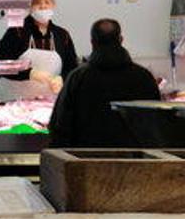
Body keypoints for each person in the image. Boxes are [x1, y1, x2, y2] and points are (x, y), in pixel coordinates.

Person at [49, 19, 161, 147]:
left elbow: (60, 126)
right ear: (121, 40)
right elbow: (156, 125)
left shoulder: (78, 78)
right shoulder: (144, 77)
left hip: (85, 160)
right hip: (134, 162)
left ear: (92, 43)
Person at [0, 0, 78, 99]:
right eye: (37, 3)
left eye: (47, 2)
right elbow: (1, 65)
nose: (43, 6)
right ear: (30, 7)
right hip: (14, 103)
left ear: (53, 5)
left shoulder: (62, 35)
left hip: (48, 104)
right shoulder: (17, 31)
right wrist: (30, 74)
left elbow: (72, 68)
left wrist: (62, 79)